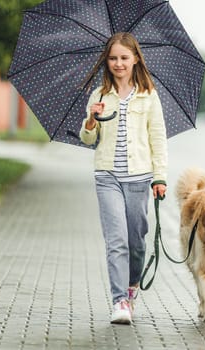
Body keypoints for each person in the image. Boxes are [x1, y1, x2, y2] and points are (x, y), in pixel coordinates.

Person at [79, 32, 167, 325]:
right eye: (113, 58)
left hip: (140, 178)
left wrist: (160, 178)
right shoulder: (99, 95)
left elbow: (158, 139)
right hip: (107, 177)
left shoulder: (148, 95)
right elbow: (88, 137)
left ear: (136, 59)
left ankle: (132, 286)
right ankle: (120, 301)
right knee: (116, 240)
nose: (118, 63)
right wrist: (91, 119)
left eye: (124, 58)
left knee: (136, 241)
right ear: (107, 60)